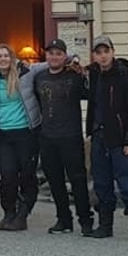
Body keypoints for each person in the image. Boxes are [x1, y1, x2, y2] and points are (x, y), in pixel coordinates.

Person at [84, 35, 128, 242]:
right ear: (94, 55)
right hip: (99, 137)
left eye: (106, 51)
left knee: (127, 184)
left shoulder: (125, 78)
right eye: (98, 53)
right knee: (101, 184)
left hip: (120, 140)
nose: (103, 56)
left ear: (113, 52)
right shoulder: (94, 75)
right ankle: (105, 225)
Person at [32, 38, 93, 235]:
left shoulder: (74, 76)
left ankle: (85, 220)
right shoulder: (39, 77)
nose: (54, 57)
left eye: (58, 53)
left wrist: (82, 71)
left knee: (78, 179)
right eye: (51, 53)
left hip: (71, 136)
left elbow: (90, 93)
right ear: (46, 55)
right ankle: (64, 219)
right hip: (47, 137)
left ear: (64, 56)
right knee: (55, 180)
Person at [0, 44, 44, 231]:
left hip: (26, 133)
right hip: (3, 135)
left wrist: (72, 58)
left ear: (12, 58)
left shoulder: (25, 73)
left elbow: (48, 63)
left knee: (27, 175)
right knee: (7, 176)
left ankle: (23, 214)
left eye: (6, 55)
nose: (3, 59)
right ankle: (9, 213)